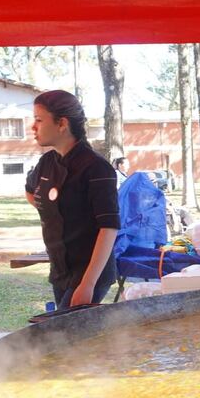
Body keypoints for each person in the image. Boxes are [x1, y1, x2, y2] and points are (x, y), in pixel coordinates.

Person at [25, 90, 120, 308]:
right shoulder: (46, 162)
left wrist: (88, 284)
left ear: (62, 124)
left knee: (68, 334)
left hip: (89, 271)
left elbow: (109, 228)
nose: (33, 127)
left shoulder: (96, 167)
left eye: (39, 120)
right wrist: (52, 212)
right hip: (60, 268)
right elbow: (31, 191)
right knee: (66, 334)